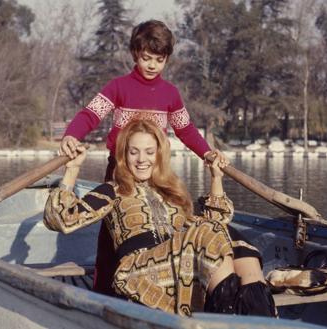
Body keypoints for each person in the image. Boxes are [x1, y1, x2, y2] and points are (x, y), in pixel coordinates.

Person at [59, 20, 228, 296]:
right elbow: (90, 115)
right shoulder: (118, 87)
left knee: (158, 227)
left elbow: (185, 129)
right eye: (146, 58)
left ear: (167, 59)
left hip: (155, 172)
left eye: (158, 60)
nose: (151, 65)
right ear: (135, 54)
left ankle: (162, 283)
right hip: (121, 171)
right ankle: (104, 292)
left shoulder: (170, 94)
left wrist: (207, 153)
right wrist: (71, 135)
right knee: (112, 233)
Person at [45, 120, 277, 317]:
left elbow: (217, 224)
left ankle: (261, 320)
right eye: (133, 151)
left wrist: (216, 178)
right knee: (211, 232)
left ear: (159, 154)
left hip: (180, 266)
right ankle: (226, 317)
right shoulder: (113, 190)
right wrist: (72, 170)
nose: (141, 159)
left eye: (149, 151)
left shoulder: (171, 190)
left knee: (233, 239)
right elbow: (62, 219)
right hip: (138, 273)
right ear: (124, 155)